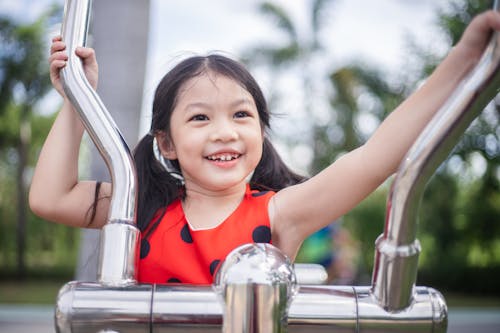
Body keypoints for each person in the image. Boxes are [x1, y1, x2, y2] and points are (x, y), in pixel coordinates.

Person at [29, 10, 500, 284]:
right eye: (200, 117)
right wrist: (77, 98)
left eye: (241, 115)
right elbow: (50, 198)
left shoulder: (280, 214)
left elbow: (376, 157)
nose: (224, 132)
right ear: (166, 143)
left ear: (261, 132)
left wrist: (466, 58)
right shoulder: (140, 204)